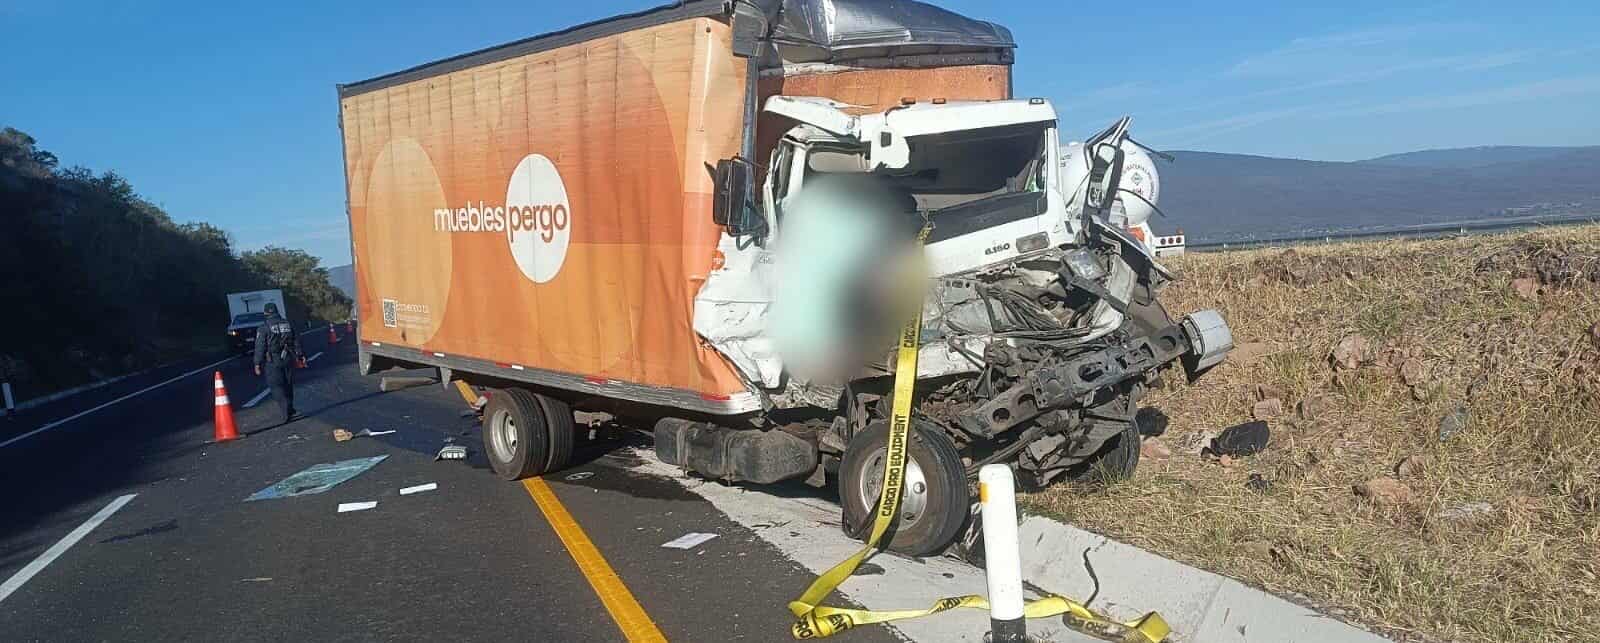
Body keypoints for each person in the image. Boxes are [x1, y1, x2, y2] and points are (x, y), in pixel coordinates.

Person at [253, 303, 301, 425]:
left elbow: (260, 347)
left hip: (273, 360)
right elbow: (296, 340)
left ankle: (285, 411)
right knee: (288, 384)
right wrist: (301, 355)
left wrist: (257, 363)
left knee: (276, 386)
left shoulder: (263, 328)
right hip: (288, 358)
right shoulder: (287, 324)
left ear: (266, 313)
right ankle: (290, 408)